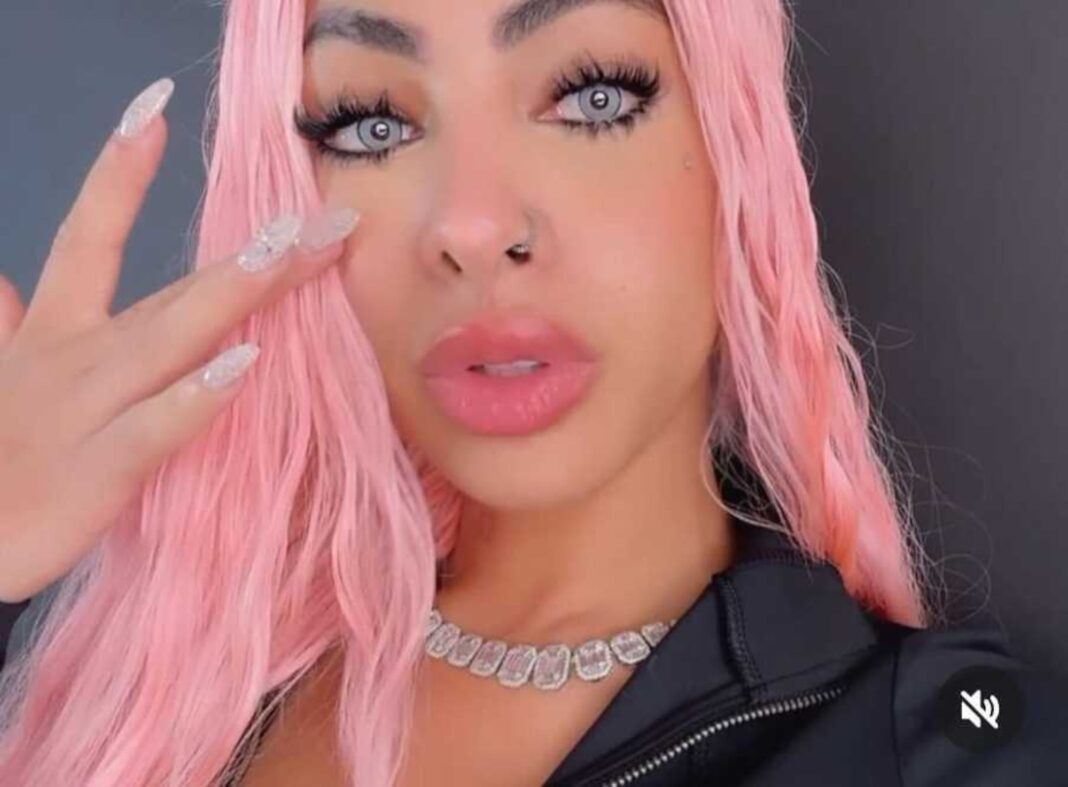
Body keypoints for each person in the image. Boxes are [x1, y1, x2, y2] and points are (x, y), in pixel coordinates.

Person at [0, 0, 1066, 785]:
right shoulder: (167, 670)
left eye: (593, 96)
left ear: (734, 152)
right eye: (371, 124)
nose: (471, 225)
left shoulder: (942, 749)